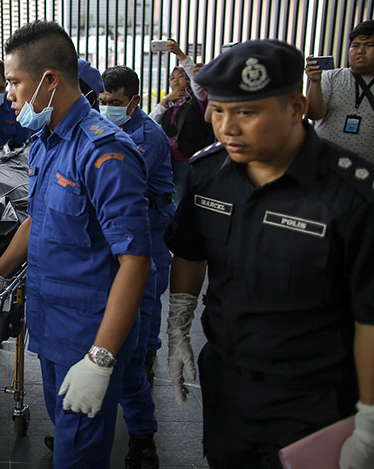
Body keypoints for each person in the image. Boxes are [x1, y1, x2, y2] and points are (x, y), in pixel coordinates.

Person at [165, 40, 374, 469]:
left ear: (297, 108)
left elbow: (369, 316)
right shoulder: (209, 175)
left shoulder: (351, 194)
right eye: (219, 110)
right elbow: (190, 251)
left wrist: (369, 421)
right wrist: (178, 331)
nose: (227, 128)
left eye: (246, 112)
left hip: (312, 395)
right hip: (227, 383)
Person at [0, 21, 152, 468]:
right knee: (63, 425)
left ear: (49, 80)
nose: (9, 93)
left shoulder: (105, 152)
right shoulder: (46, 142)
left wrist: (102, 356)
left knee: (78, 454)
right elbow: (40, 218)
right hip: (51, 321)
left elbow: (135, 260)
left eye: (15, 82)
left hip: (90, 331)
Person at [99, 66, 175, 469]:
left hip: (147, 235)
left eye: (115, 102)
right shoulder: (97, 130)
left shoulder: (147, 138)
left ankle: (143, 440)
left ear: (135, 101)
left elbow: (115, 181)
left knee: (137, 338)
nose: (107, 108)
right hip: (116, 241)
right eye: (103, 101)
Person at [150, 40, 214, 204]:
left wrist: (179, 54)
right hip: (169, 161)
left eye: (180, 77)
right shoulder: (169, 105)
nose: (176, 81)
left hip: (189, 161)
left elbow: (196, 78)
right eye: (172, 78)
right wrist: (164, 101)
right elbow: (150, 122)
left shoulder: (197, 100)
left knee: (181, 201)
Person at [306, 19, 374, 164]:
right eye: (355, 45)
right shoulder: (331, 77)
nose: (360, 51)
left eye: (369, 45)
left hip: (366, 171)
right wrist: (315, 82)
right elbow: (314, 114)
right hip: (323, 164)